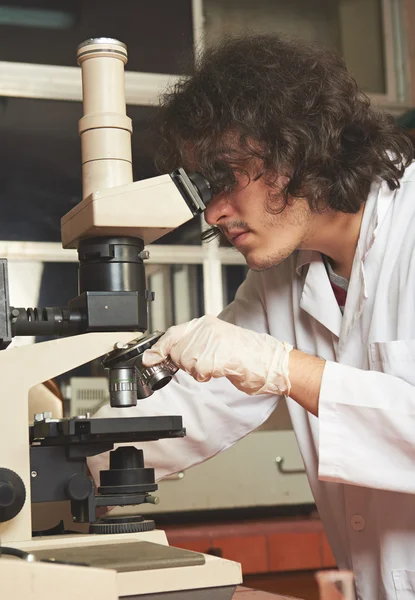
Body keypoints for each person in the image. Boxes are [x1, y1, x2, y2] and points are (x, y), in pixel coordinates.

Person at [89, 34, 415, 600]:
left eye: (224, 177)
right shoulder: (283, 277)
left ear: (295, 145)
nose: (212, 213)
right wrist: (46, 459)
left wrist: (289, 368)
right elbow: (190, 405)